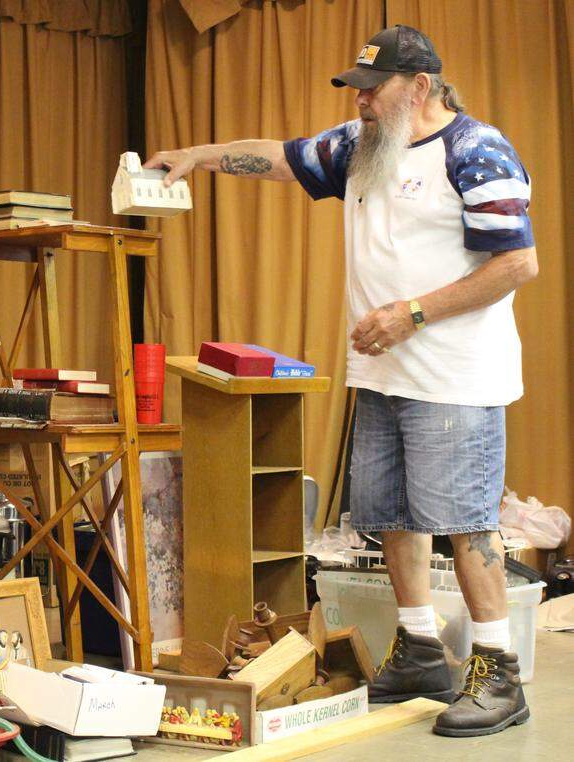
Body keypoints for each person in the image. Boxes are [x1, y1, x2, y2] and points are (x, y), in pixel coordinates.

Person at [145, 25, 536, 738]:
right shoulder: (361, 147)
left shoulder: (477, 150)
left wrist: (412, 314)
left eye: (372, 89)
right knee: (391, 518)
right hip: (383, 372)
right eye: (356, 90)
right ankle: (420, 648)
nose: (359, 102)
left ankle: (498, 671)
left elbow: (516, 264)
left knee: (465, 524)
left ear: (420, 87)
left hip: (455, 379)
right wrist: (197, 157)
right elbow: (280, 158)